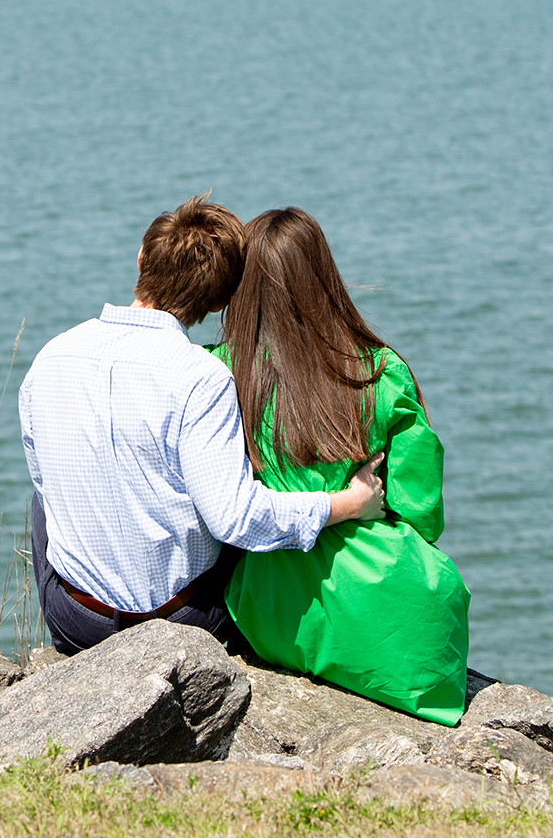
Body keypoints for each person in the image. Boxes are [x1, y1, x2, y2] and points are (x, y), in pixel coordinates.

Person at [21, 194, 385, 654]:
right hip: (181, 624)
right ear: (217, 303)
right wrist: (349, 503)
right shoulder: (203, 378)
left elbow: (47, 485)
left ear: (141, 258)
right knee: (231, 492)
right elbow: (237, 520)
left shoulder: (51, 357)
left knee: (43, 498)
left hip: (77, 623)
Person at [211, 208, 470, 725]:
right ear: (324, 278)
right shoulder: (381, 371)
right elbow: (424, 514)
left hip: (271, 606)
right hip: (398, 614)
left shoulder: (221, 373)